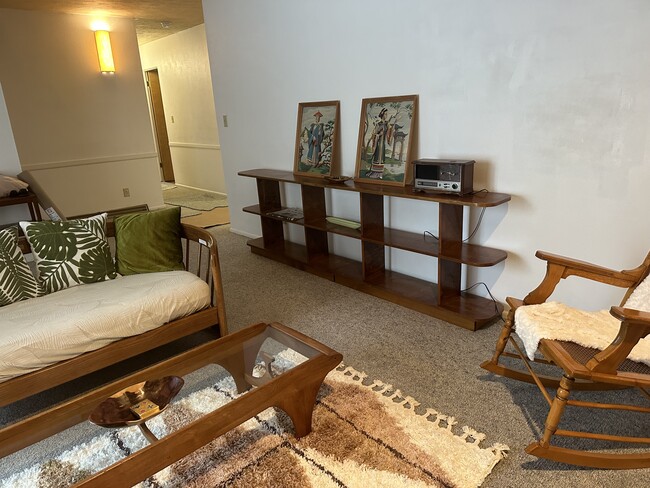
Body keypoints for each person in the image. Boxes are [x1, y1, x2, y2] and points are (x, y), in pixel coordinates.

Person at [366, 108, 389, 178]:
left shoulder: (386, 124)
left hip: (383, 143)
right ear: (382, 115)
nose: (386, 115)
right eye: (385, 114)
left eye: (387, 114)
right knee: (377, 157)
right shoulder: (378, 124)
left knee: (381, 157)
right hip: (378, 143)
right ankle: (375, 172)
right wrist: (379, 135)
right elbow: (374, 134)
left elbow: (389, 132)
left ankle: (380, 173)